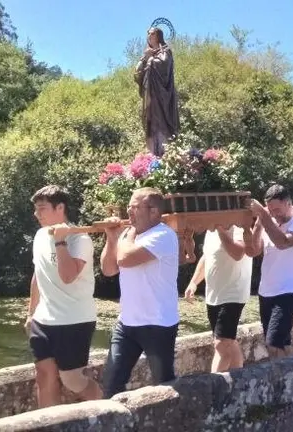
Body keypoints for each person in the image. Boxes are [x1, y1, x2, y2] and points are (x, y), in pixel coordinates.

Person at [100, 187, 180, 398]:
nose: (129, 213)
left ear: (154, 211)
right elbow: (108, 269)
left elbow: (125, 258)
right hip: (127, 323)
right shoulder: (127, 235)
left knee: (164, 386)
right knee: (110, 385)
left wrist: (127, 235)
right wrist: (111, 238)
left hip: (157, 323)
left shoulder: (164, 235)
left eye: (134, 207)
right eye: (128, 207)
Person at [26, 185, 101, 407]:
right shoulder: (40, 236)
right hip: (43, 320)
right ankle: (47, 424)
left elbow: (67, 276)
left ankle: (104, 409)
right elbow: (38, 275)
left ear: (60, 208)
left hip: (74, 320)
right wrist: (31, 313)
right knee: (44, 375)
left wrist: (60, 241)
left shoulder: (80, 239)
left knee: (71, 379)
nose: (36, 214)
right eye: (36, 209)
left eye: (42, 209)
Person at [247, 185, 293, 358]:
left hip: (290, 290)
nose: (274, 214)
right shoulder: (269, 222)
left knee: (273, 342)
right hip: (266, 291)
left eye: (277, 209)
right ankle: (292, 379)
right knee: (282, 343)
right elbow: (254, 250)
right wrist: (259, 224)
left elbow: (283, 242)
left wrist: (263, 215)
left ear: (289, 202)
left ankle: (280, 382)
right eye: (271, 210)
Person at [184, 222, 258, 372]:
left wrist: (220, 229)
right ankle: (239, 381)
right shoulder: (210, 232)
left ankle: (213, 389)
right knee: (228, 342)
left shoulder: (238, 228)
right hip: (214, 295)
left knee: (221, 344)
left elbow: (238, 253)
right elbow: (207, 257)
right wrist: (193, 282)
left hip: (233, 294)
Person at [134, 27, 180, 156]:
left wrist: (151, 60)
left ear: (158, 35)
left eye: (152, 33)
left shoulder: (166, 51)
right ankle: (153, 153)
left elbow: (164, 66)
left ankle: (165, 152)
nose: (149, 36)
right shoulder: (148, 53)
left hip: (163, 95)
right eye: (148, 34)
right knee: (151, 121)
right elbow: (137, 73)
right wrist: (145, 57)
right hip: (150, 93)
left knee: (161, 120)